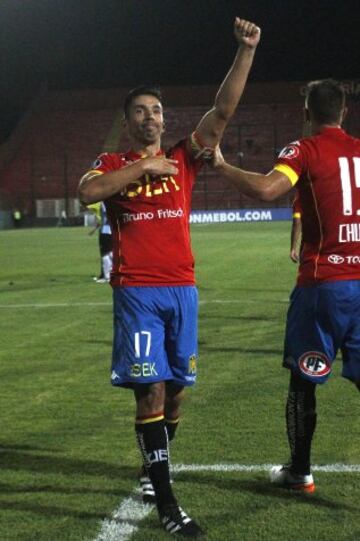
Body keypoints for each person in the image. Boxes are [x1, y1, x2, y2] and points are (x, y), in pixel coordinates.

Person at [78, 18, 261, 537]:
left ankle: (150, 468)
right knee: (151, 393)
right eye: (140, 111)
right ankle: (167, 503)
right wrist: (141, 170)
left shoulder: (185, 157)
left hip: (182, 290)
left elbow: (223, 111)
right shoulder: (111, 162)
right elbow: (88, 194)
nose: (150, 116)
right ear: (128, 120)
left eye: (156, 110)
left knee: (178, 390)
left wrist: (245, 51)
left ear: (164, 118)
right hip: (137, 292)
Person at [212, 79, 360, 493]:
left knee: (304, 380)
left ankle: (300, 472)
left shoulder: (305, 149)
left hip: (323, 287)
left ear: (306, 113)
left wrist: (222, 166)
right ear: (344, 112)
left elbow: (266, 188)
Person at [87, 202, 113, 282]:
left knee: (105, 254)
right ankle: (109, 274)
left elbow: (104, 218)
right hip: (112, 230)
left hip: (105, 230)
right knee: (110, 252)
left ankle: (106, 277)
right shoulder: (113, 202)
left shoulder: (104, 204)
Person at [290, 192, 302, 263]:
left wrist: (293, 248)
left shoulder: (300, 197)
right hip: (334, 242)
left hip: (311, 247)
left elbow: (297, 223)